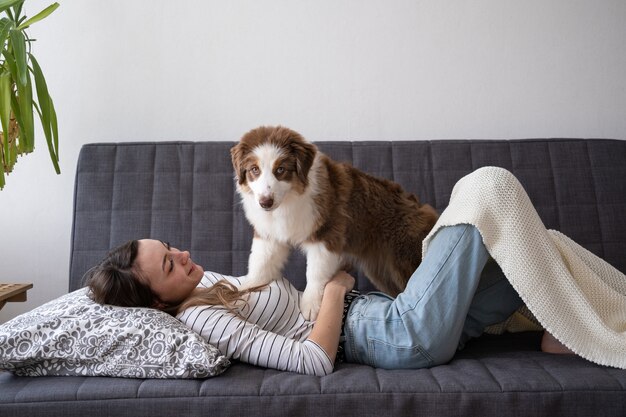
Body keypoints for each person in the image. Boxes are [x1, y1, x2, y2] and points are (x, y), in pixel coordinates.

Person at [86, 169, 576, 376]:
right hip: (393, 333)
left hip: (396, 316)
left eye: (170, 247)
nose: (184, 253)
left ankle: (567, 324)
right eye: (170, 263)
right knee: (487, 190)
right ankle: (579, 323)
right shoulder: (202, 320)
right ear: (155, 303)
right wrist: (337, 284)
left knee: (539, 246)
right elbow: (313, 360)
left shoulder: (208, 286)